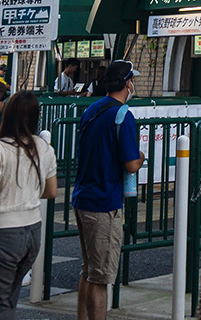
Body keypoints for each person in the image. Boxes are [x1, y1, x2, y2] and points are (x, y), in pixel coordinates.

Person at [71, 60, 144, 320]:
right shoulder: (123, 115)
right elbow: (132, 164)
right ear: (127, 83)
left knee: (88, 270)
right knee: (101, 277)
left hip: (82, 196)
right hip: (104, 201)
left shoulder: (91, 110)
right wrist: (142, 156)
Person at [0, 91, 58, 320]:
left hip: (2, 230)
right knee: (8, 296)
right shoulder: (44, 148)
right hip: (33, 231)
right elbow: (51, 191)